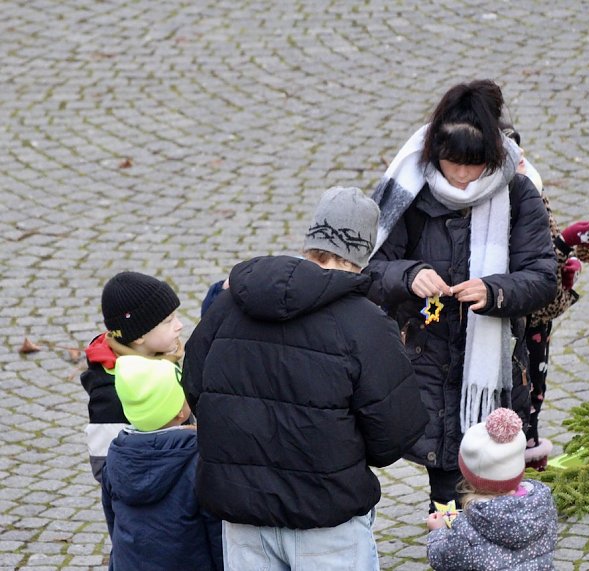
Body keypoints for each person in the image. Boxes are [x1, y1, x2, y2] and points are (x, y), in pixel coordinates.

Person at [182, 186, 428, 571]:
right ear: (365, 252)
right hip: (327, 518)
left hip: (243, 513)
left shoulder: (230, 303)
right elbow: (394, 432)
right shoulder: (365, 322)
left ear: (311, 241)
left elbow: (195, 388)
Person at [366, 79, 557, 510]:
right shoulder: (409, 193)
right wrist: (409, 275)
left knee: (494, 486)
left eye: (474, 165)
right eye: (453, 163)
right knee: (447, 489)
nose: (463, 176)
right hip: (427, 363)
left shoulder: (518, 192)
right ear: (435, 153)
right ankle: (449, 534)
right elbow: (368, 269)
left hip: (495, 371)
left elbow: (543, 277)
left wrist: (494, 291)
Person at [500, 122, 589, 471]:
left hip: (535, 326)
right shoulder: (505, 203)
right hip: (517, 325)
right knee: (518, 399)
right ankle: (511, 474)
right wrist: (562, 246)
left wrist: (566, 253)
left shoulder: (530, 188)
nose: (522, 154)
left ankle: (527, 470)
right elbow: (528, 277)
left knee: (533, 394)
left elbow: (543, 261)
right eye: (511, 148)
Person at [101, 355, 222, 571]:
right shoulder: (198, 460)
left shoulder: (115, 456)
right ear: (181, 411)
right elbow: (217, 531)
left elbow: (113, 521)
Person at [80, 271, 184, 483]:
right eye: (168, 321)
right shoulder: (110, 393)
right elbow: (105, 467)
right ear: (138, 336)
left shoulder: (165, 358)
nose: (179, 325)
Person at [425, 408, 557, 570]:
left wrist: (438, 532)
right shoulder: (542, 504)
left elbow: (443, 559)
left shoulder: (466, 528)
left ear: (469, 475)